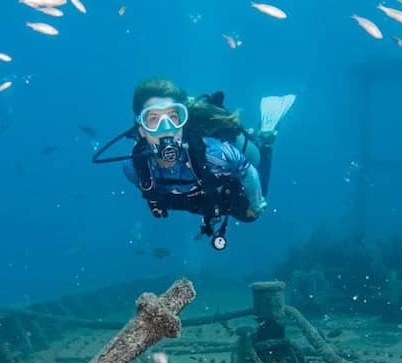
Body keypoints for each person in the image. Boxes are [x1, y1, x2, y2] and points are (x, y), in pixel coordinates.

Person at [92, 77, 295, 250]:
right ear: (141, 129)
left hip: (218, 191)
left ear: (183, 121)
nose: (166, 128)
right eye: (153, 119)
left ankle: (266, 139)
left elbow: (247, 171)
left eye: (173, 116)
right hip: (195, 200)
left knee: (251, 214)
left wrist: (256, 205)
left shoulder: (215, 153)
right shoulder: (133, 168)